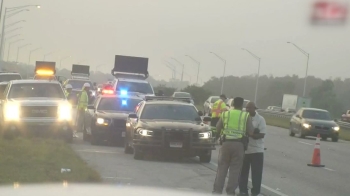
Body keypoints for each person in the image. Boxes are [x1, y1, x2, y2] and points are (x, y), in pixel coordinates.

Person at [213, 97, 254, 195]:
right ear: (242, 105)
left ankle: (217, 191)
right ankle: (230, 192)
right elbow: (251, 132)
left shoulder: (226, 114)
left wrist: (215, 139)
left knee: (222, 168)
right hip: (239, 145)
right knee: (234, 170)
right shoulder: (245, 115)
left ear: (233, 104)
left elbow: (217, 129)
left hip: (226, 144)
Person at [239, 102, 266, 196]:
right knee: (243, 172)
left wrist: (252, 134)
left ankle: (255, 192)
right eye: (246, 108)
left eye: (249, 108)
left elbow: (262, 134)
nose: (247, 110)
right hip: (245, 150)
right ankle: (243, 191)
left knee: (256, 174)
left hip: (257, 150)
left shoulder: (260, 119)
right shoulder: (244, 118)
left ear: (255, 108)